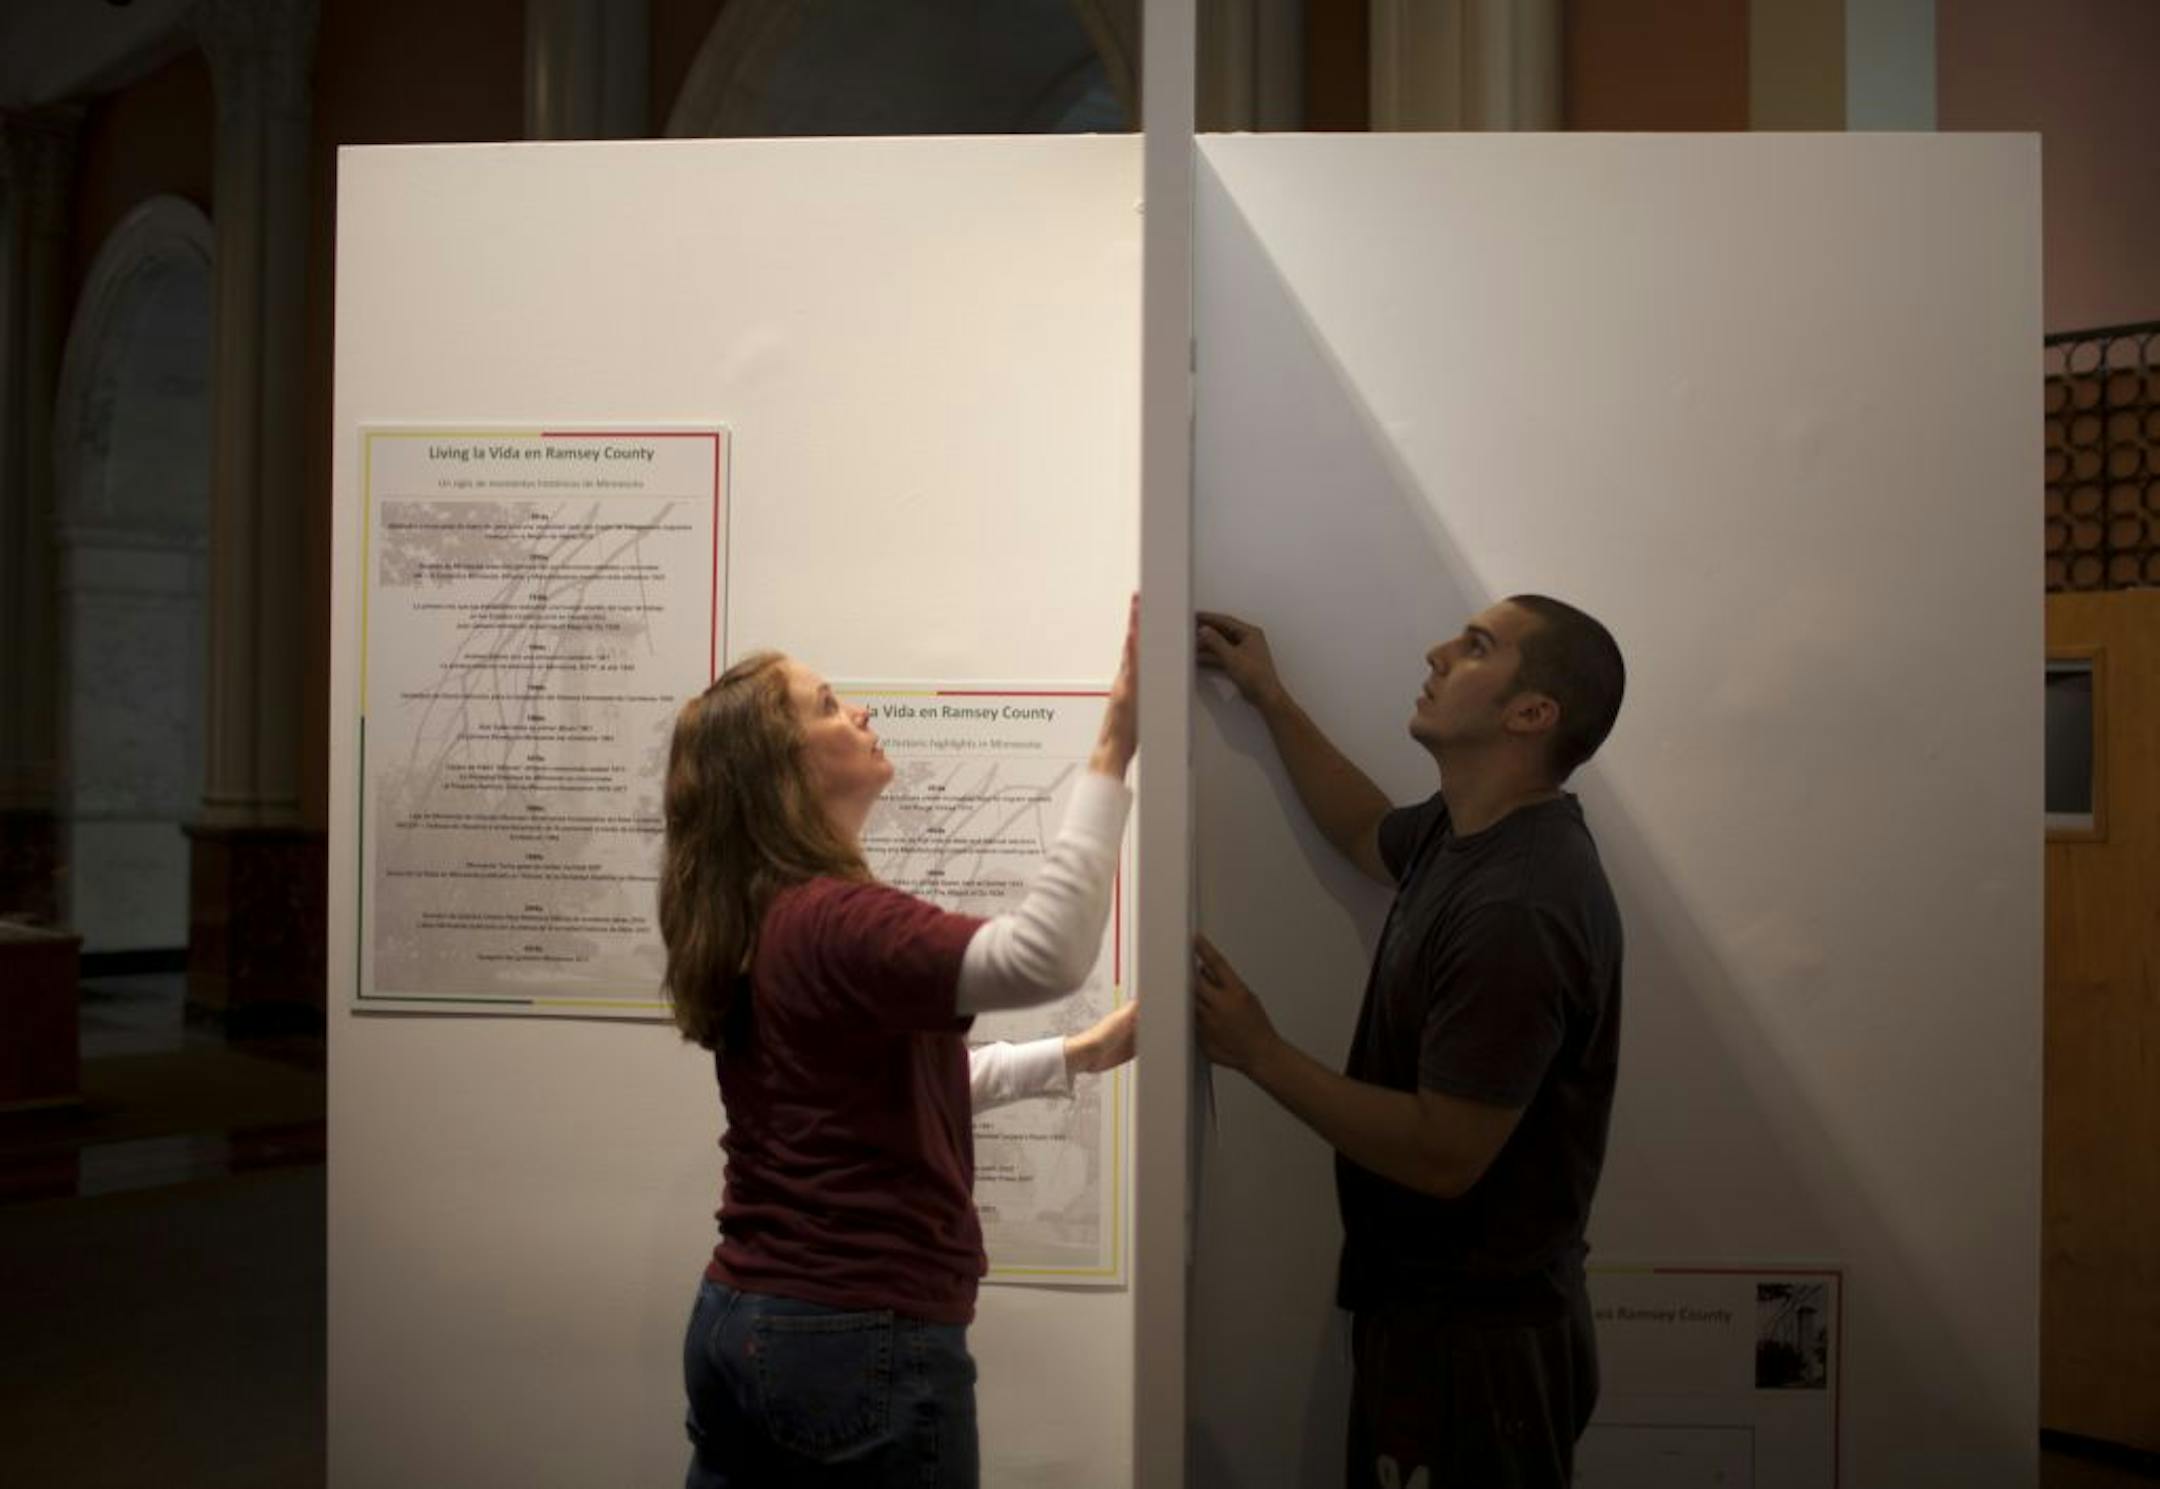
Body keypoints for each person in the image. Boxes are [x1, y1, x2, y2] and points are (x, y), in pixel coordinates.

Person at [660, 607, 1138, 1488]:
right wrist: (1113, 745)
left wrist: (1078, 1055)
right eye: (831, 706)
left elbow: (887, 1089)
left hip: (744, 1318)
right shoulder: (835, 918)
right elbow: (1048, 952)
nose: (861, 716)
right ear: (786, 768)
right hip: (852, 1337)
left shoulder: (773, 917)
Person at [1192, 596, 1625, 1489]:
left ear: (1531, 712)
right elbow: (1363, 829)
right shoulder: (1466, 836)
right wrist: (1271, 698)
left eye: (1474, 648)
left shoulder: (1521, 902)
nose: (1435, 653)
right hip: (1442, 1323)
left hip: (1478, 1347)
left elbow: (1443, 1152)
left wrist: (1259, 1050)